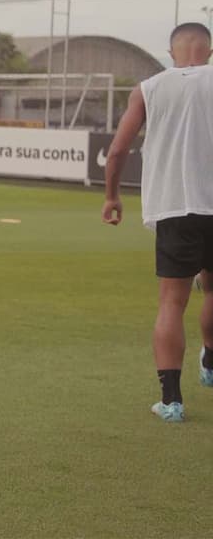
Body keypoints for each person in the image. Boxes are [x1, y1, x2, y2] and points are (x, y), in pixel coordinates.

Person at [103, 22, 213, 423]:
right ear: (210, 51)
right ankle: (211, 365)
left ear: (171, 53)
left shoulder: (149, 89)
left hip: (173, 208)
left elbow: (117, 151)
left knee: (172, 301)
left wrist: (112, 196)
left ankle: (171, 401)